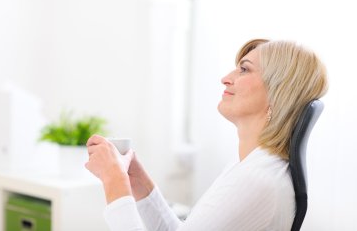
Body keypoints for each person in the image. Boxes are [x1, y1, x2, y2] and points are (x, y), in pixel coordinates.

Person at [85, 39, 328, 231]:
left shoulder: (257, 180)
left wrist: (114, 182)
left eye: (244, 69)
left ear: (278, 93)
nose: (226, 79)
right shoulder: (251, 165)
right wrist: (136, 181)